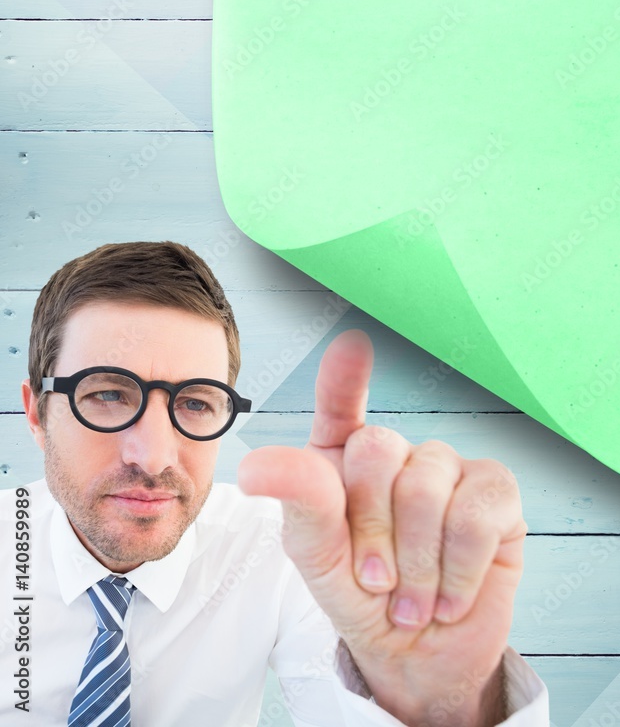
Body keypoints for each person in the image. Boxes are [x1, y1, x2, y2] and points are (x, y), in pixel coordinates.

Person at [0, 241, 549, 726]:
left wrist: (439, 704)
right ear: (35, 413)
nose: (153, 456)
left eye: (195, 404)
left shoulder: (281, 549)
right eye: (108, 394)